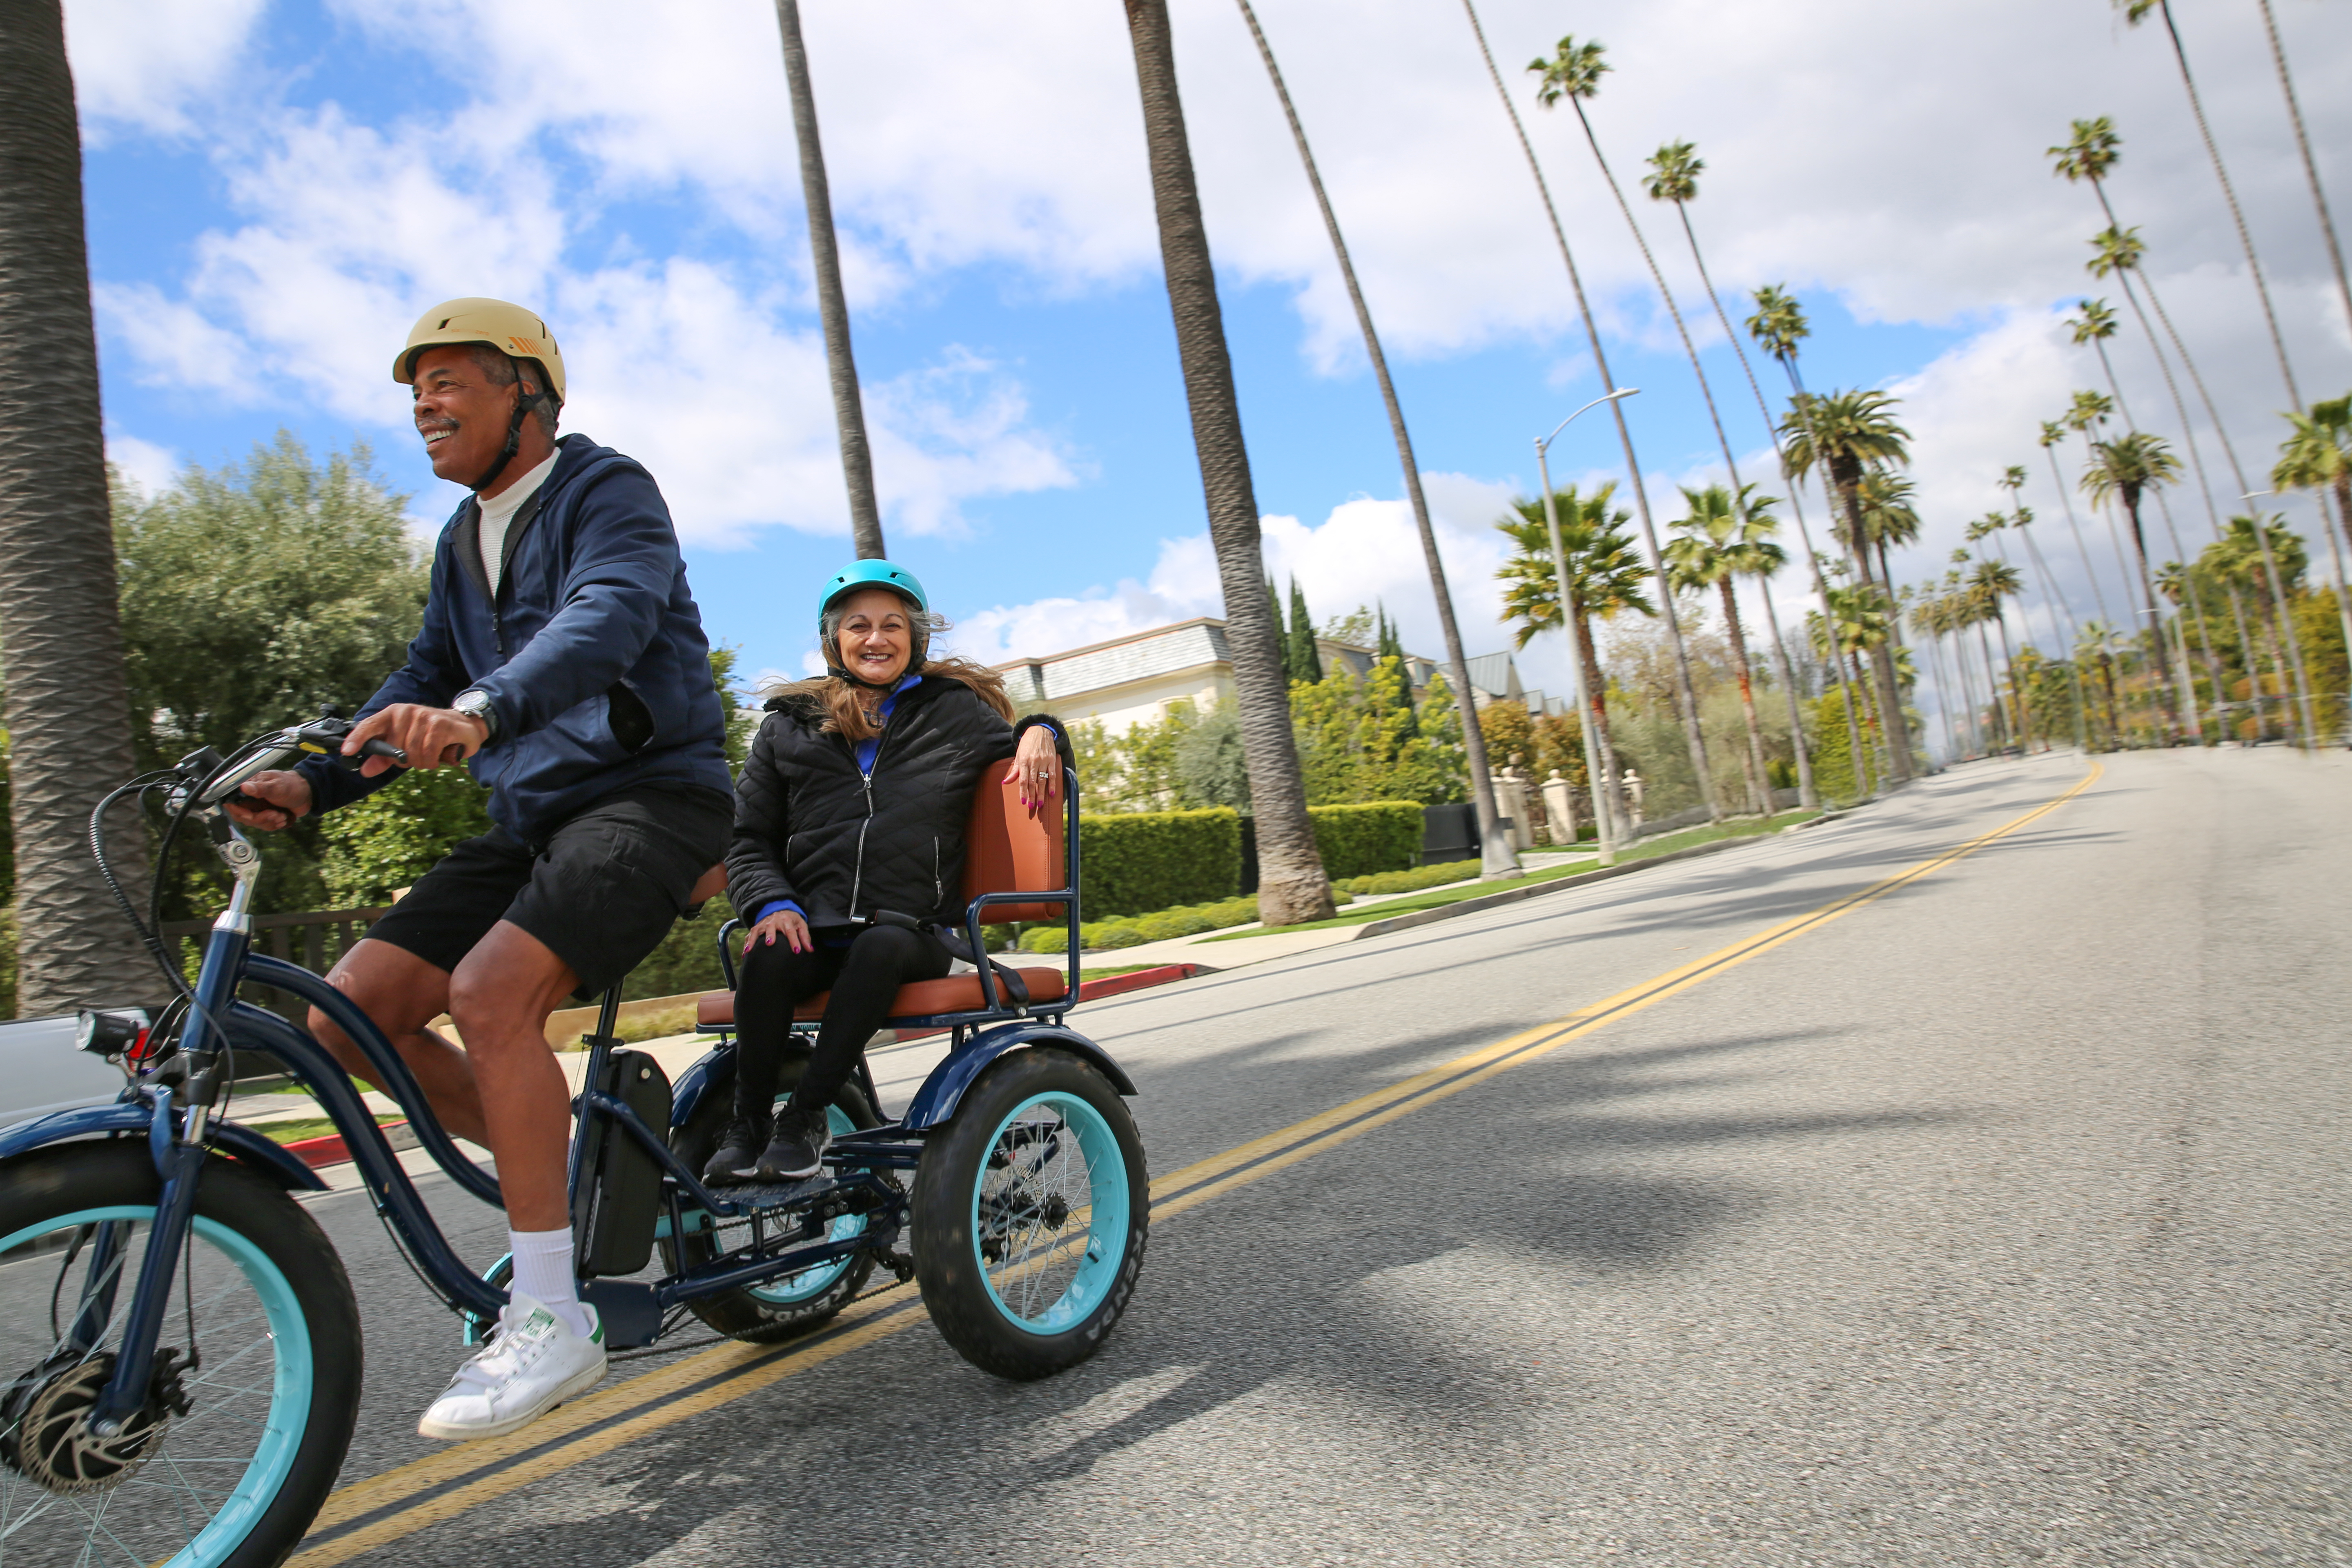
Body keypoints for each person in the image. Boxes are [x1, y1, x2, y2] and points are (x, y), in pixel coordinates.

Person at [227, 298, 735, 1441]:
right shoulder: (463, 543)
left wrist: (483, 708)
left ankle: (553, 1315)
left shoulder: (609, 491)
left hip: (652, 797)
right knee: (350, 1013)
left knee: (489, 993)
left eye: (450, 378)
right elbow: (415, 677)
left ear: (529, 395)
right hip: (534, 816)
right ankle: (560, 1183)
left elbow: (607, 619)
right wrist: (314, 779)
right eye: (417, 386)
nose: (424, 402)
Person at [714, 560, 1067, 1183]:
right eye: (858, 626)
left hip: (914, 933)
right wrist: (772, 903)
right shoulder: (785, 728)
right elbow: (745, 839)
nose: (876, 638)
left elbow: (1021, 741)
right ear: (834, 642)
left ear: (915, 640)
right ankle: (747, 1126)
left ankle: (806, 1118)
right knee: (768, 950)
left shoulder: (953, 713)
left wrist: (1042, 731)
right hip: (815, 930)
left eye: (892, 625)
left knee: (878, 947)